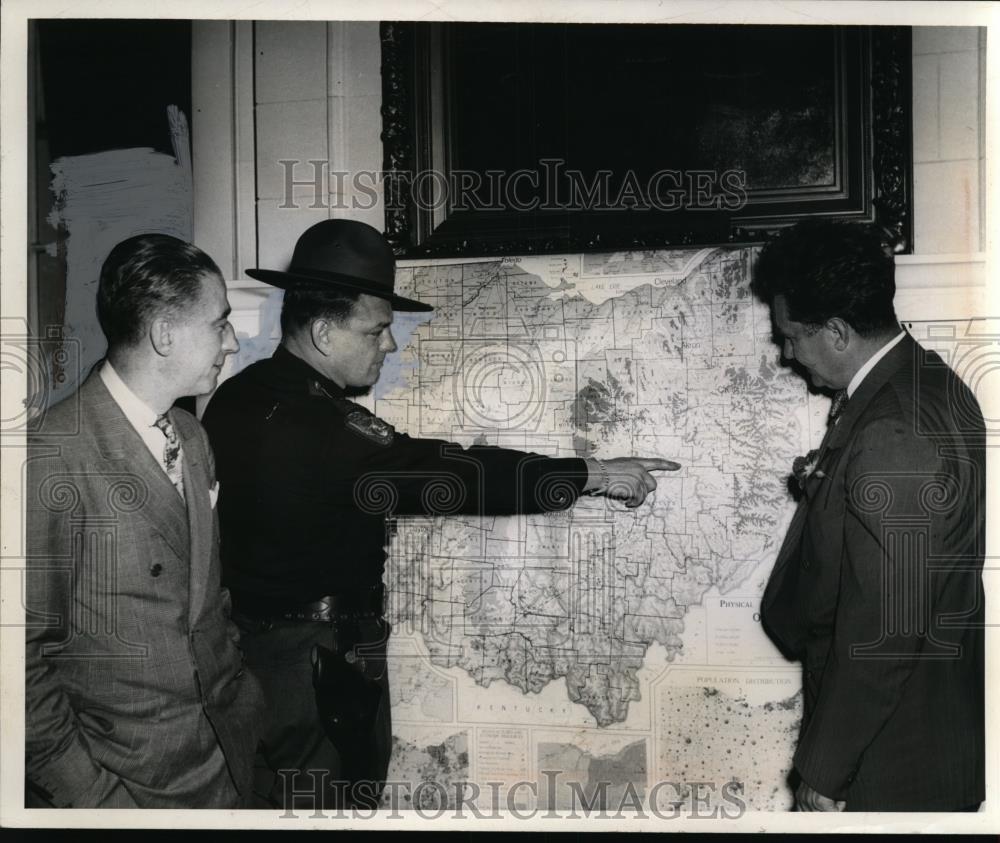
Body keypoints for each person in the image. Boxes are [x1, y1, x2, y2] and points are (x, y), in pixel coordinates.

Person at [202, 219, 679, 811]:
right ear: (324, 332)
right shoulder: (324, 429)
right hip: (317, 671)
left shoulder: (235, 398)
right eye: (376, 330)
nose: (389, 345)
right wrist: (592, 474)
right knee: (330, 813)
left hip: (248, 659)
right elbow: (454, 474)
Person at [24, 234, 264, 808]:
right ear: (164, 334)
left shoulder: (192, 436)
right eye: (220, 324)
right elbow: (18, 665)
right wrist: (96, 798)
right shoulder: (51, 455)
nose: (231, 342)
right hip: (133, 786)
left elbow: (207, 596)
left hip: (229, 758)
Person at [754, 221, 984, 812]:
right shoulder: (925, 383)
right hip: (919, 727)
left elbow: (884, 632)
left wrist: (826, 771)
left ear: (835, 331)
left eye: (791, 337)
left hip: (889, 756)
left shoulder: (893, 430)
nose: (786, 353)